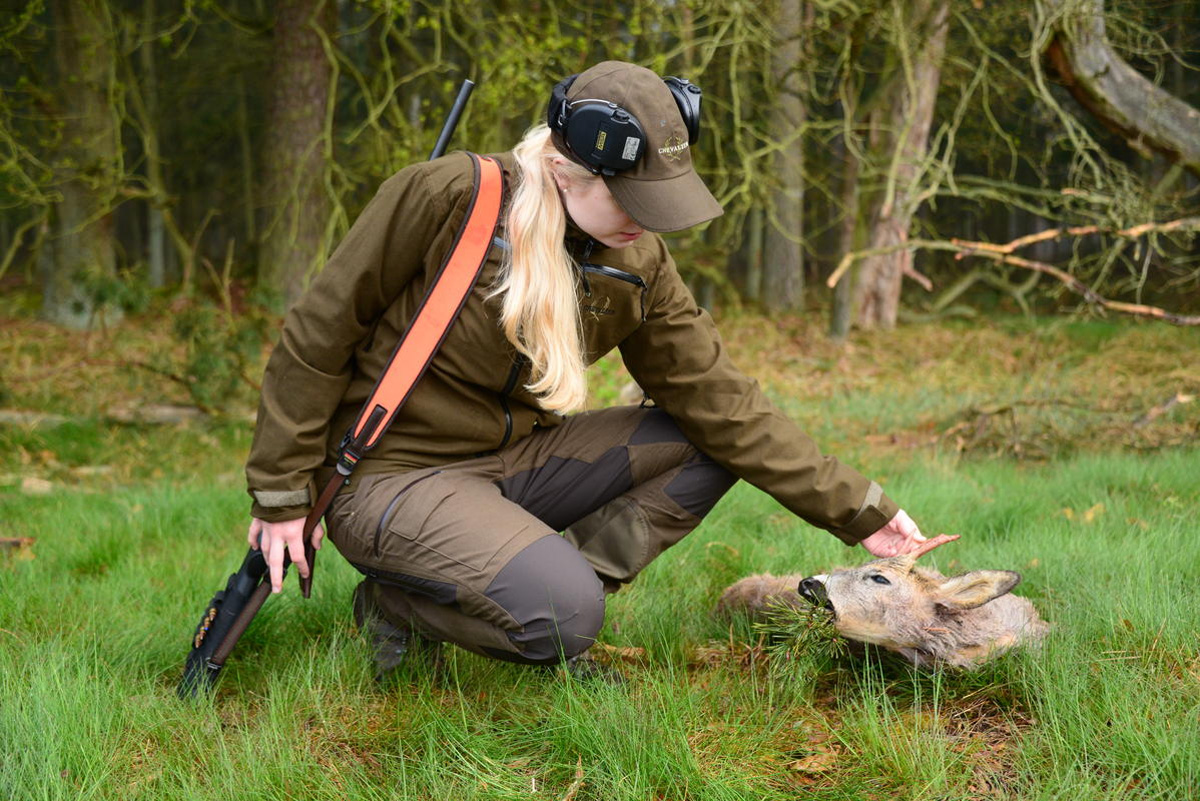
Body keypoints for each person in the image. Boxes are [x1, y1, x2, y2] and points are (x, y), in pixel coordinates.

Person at [244, 60, 937, 678]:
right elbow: (318, 335)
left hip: (512, 466)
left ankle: (508, 590)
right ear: (567, 169)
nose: (649, 220)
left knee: (703, 442)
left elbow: (722, 402)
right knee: (564, 618)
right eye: (633, 199)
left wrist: (865, 512)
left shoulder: (637, 262)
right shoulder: (452, 197)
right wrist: (281, 493)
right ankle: (419, 600)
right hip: (391, 479)